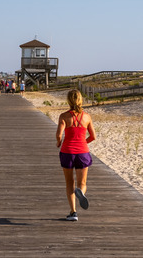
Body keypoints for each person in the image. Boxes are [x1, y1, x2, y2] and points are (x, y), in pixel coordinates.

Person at [56, 89, 96, 221]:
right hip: (82, 152)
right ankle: (81, 193)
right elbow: (93, 136)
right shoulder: (87, 116)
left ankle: (73, 212)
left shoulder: (64, 116)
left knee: (69, 183)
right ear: (80, 100)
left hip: (67, 152)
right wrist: (83, 142)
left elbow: (59, 135)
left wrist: (58, 143)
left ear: (69, 100)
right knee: (82, 183)